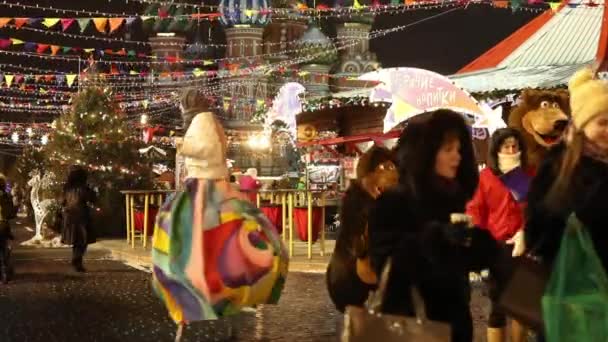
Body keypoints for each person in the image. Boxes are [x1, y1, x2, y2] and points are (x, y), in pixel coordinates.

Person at [151, 88, 288, 328]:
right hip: (203, 183)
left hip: (205, 185)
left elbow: (210, 150)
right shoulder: (204, 120)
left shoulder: (203, 121)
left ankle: (199, 290)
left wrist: (181, 144)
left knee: (193, 236)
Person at [368, 109, 500, 342]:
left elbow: (455, 263)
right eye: (447, 150)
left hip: (455, 325)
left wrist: (480, 246)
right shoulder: (394, 201)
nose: (457, 157)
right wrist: (435, 239)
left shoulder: (452, 199)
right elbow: (386, 264)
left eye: (459, 149)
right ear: (426, 153)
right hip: (411, 326)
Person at [525, 67, 608, 340]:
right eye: (602, 122)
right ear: (582, 125)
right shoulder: (557, 168)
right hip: (574, 297)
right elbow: (538, 232)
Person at [466, 128, 531, 342]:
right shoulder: (486, 177)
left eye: (515, 145)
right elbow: (476, 211)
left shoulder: (529, 174)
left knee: (522, 307)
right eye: (506, 146)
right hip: (497, 247)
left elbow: (537, 207)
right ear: (497, 149)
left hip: (524, 246)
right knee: (498, 307)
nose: (512, 150)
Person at [326, 145, 398, 312]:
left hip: (346, 285)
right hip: (354, 288)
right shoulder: (365, 211)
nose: (389, 175)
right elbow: (367, 269)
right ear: (365, 175)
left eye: (391, 167)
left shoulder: (363, 203)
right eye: (383, 167)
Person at [61, 166, 96, 272]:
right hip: (81, 215)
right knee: (82, 240)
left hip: (69, 215)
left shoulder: (67, 188)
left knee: (77, 240)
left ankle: (76, 259)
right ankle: (77, 260)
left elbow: (62, 201)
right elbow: (92, 198)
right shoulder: (83, 188)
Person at [0, 177, 15, 283]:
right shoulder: (6, 196)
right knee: (4, 249)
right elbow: (11, 214)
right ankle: (6, 274)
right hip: (2, 225)